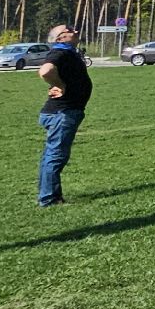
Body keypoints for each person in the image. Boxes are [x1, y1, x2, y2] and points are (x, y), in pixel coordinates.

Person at [35, 24, 93, 206]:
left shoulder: (69, 52)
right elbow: (45, 71)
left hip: (62, 112)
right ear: (60, 38)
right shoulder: (60, 52)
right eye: (70, 29)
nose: (76, 31)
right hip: (62, 113)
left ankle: (51, 195)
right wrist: (60, 85)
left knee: (52, 155)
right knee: (56, 156)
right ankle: (49, 199)